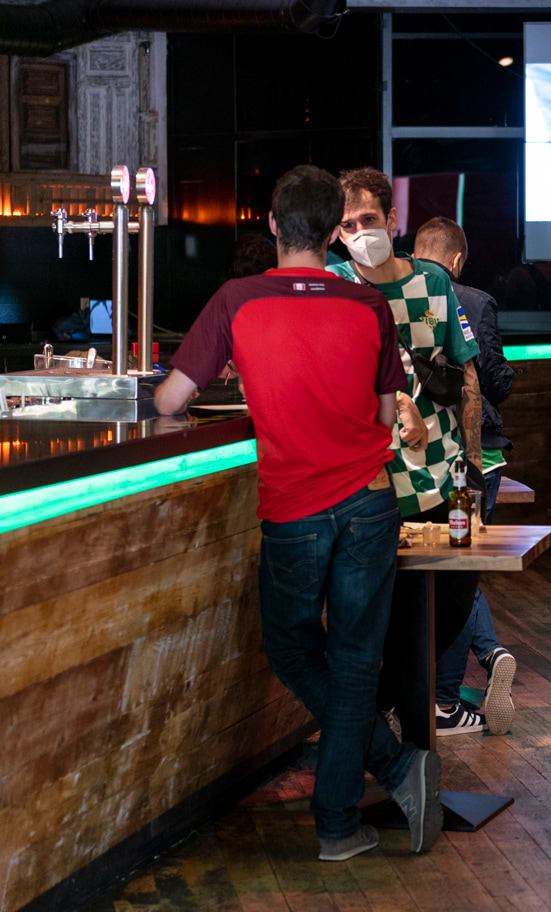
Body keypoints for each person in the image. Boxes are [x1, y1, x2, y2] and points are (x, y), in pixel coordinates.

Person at [152, 165, 442, 862]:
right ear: (335, 231)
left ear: (274, 225)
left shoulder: (237, 299)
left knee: (291, 649)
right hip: (369, 499)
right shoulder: (367, 304)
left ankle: (385, 780)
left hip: (294, 508)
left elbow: (168, 401)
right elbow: (385, 414)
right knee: (354, 662)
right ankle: (347, 814)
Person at [326, 168, 487, 736]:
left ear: (392, 220)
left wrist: (473, 473)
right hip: (373, 483)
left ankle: (401, 709)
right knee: (380, 613)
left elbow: (468, 377)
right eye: (347, 225)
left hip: (443, 476)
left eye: (368, 220)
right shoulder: (334, 284)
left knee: (454, 601)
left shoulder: (433, 281)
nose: (359, 233)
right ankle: (389, 727)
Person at [412, 216, 518, 736]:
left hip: (412, 463)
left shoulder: (393, 298)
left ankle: (443, 694)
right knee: (458, 572)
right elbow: (493, 381)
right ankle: (447, 698)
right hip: (473, 461)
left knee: (440, 575)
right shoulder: (472, 301)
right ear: (456, 259)